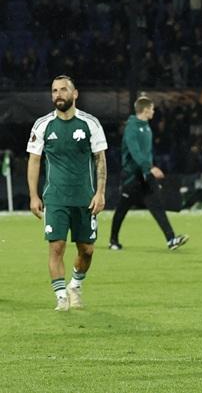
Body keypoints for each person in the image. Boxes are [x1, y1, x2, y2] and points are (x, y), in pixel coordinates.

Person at [26, 75, 107, 310]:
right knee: (56, 247)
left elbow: (100, 159)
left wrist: (100, 193)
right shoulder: (43, 125)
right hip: (55, 198)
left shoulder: (90, 123)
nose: (58, 95)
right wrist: (33, 195)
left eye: (63, 90)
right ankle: (61, 296)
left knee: (87, 250)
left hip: (85, 198)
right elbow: (34, 161)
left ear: (75, 94)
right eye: (54, 91)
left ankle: (75, 285)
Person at [109, 95, 187, 251]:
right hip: (132, 177)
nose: (153, 111)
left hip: (145, 176)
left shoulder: (146, 127)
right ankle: (113, 240)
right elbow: (135, 152)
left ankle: (171, 239)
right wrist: (150, 167)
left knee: (157, 207)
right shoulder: (131, 128)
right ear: (145, 110)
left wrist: (148, 169)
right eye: (152, 109)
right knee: (122, 209)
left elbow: (146, 153)